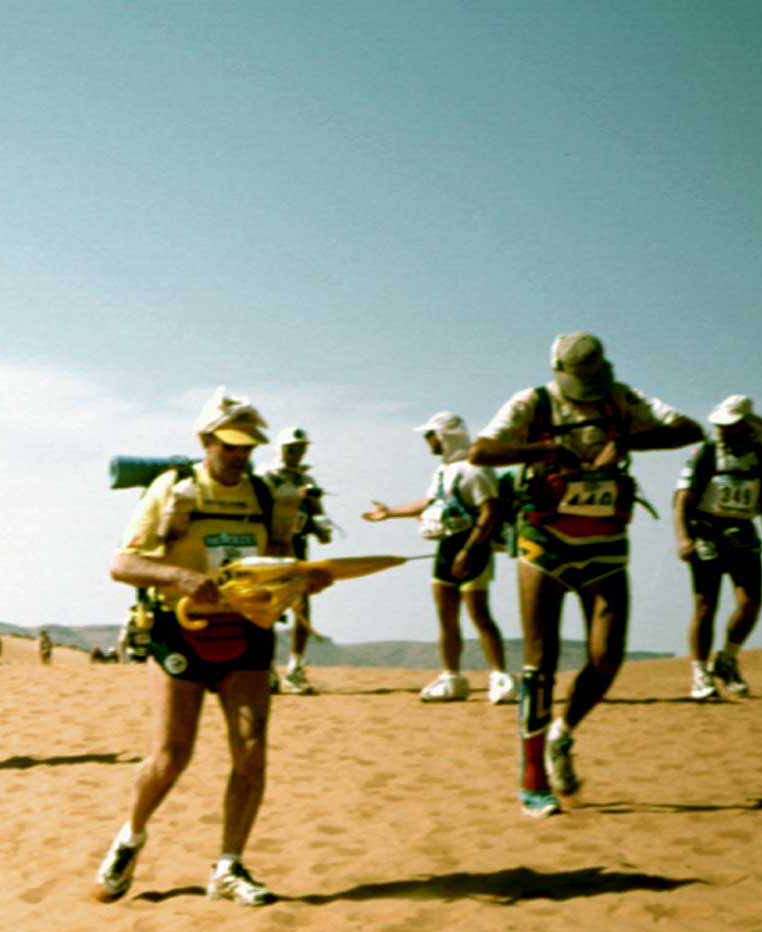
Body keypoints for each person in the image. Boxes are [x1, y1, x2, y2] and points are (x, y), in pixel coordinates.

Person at [469, 333, 702, 816]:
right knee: (541, 661)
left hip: (606, 541)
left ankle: (563, 732)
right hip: (544, 538)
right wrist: (544, 452)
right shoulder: (531, 403)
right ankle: (532, 777)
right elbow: (482, 451)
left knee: (606, 657)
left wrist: (624, 441)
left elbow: (687, 429)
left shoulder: (621, 399)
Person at [93, 389, 306, 907]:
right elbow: (122, 564)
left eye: (247, 446)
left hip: (247, 632)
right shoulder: (174, 490)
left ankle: (229, 866)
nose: (239, 455)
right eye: (229, 445)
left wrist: (301, 579)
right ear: (205, 440)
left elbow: (280, 561)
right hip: (181, 630)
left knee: (252, 751)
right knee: (172, 756)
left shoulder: (263, 495)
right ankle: (131, 838)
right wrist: (179, 576)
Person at [361, 413, 514, 703]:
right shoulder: (443, 472)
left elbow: (490, 510)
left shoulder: (476, 470)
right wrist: (390, 512)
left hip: (472, 547)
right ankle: (452, 676)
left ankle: (500, 676)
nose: (427, 441)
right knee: (446, 616)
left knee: (479, 613)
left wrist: (469, 550)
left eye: (430, 435)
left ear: (444, 436)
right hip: (446, 545)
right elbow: (431, 502)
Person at [676, 396, 762, 700]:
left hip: (744, 535)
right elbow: (682, 498)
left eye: (729, 425)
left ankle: (727, 659)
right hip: (707, 533)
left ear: (744, 426)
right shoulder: (706, 453)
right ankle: (699, 672)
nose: (722, 430)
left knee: (750, 604)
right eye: (720, 425)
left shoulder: (760, 457)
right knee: (705, 606)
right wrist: (684, 537)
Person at [261, 426, 333, 693]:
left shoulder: (306, 478)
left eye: (300, 449)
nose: (296, 454)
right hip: (270, 548)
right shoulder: (266, 476)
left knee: (302, 606)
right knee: (268, 607)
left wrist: (321, 525)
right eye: (291, 448)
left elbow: (317, 515)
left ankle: (295, 667)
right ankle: (266, 668)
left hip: (298, 546)